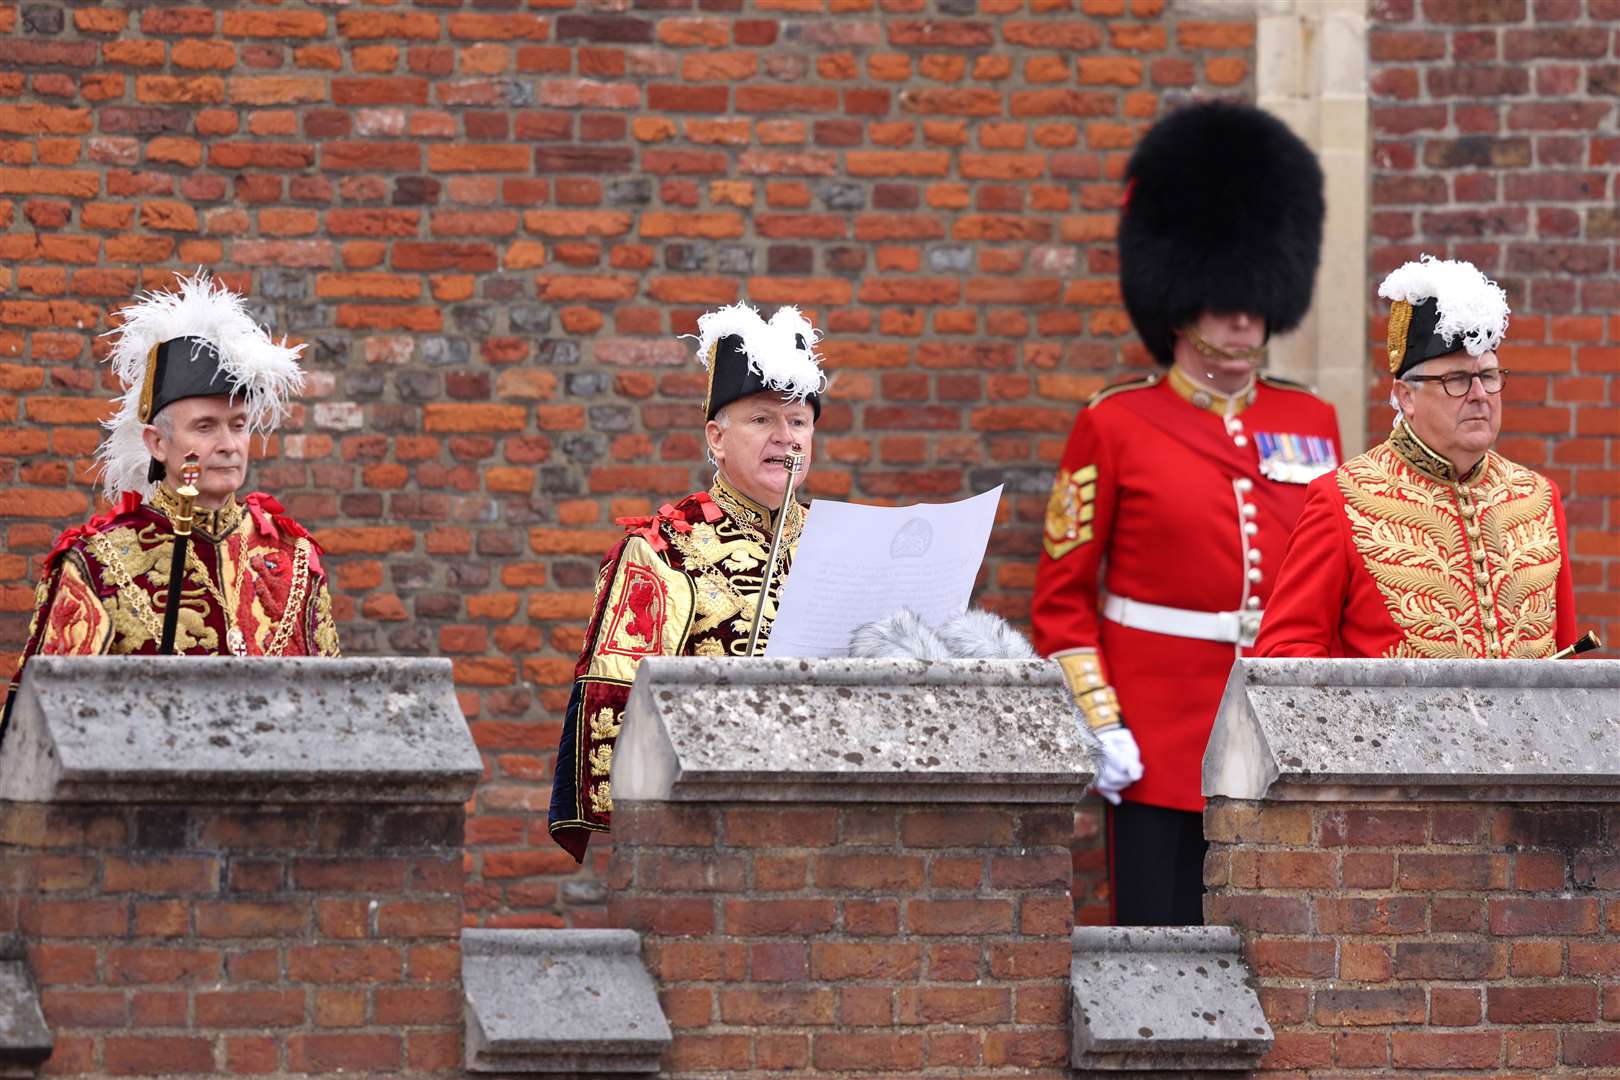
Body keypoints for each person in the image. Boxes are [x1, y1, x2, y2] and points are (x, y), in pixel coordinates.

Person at [1031, 102, 1342, 927]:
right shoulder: (1115, 424)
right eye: (1221, 297)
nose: (1243, 316)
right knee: (1154, 947)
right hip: (1156, 739)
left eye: (1254, 297)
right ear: (1178, 300)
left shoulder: (1311, 423)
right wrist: (1100, 720)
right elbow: (1062, 602)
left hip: (1273, 726)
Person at [2, 271, 340, 740]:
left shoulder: (293, 556)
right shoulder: (98, 565)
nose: (228, 445)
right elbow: (41, 737)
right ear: (157, 443)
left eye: (238, 425)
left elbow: (336, 720)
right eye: (205, 427)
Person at [548, 303, 827, 861]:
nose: (786, 436)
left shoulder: (841, 542)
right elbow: (620, 713)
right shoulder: (662, 551)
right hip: (708, 838)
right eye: (761, 419)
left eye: (798, 421)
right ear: (716, 438)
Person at [1257, 256, 1576, 659]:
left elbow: (1567, 663)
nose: (1479, 394)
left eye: (1489, 376)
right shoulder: (1342, 500)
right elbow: (1286, 654)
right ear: (1407, 397)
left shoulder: (1538, 499)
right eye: (1457, 379)